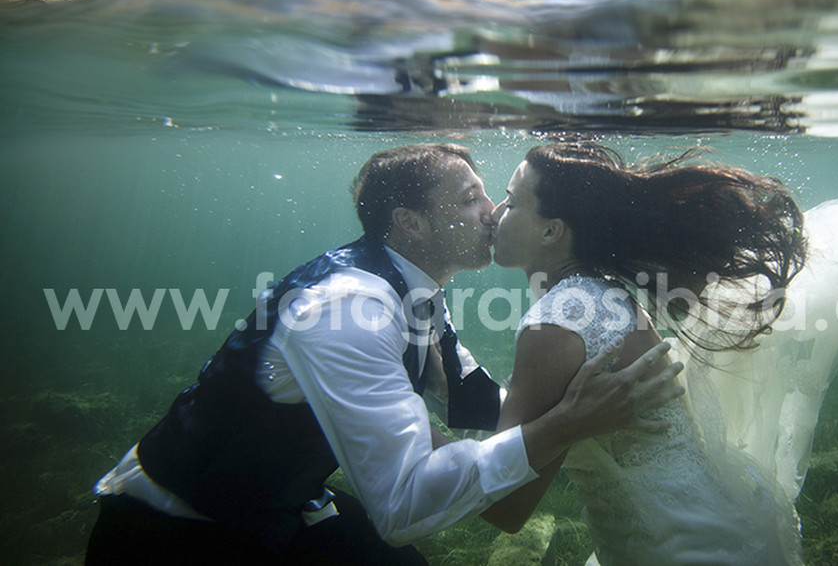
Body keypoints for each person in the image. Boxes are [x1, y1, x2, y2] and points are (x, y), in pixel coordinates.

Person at [85, 143, 683, 566]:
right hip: (170, 528)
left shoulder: (415, 291)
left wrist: (571, 394)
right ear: (411, 223)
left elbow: (471, 399)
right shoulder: (350, 309)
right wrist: (567, 424)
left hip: (278, 506)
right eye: (473, 198)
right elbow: (401, 507)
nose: (494, 213)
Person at [486, 143, 838, 566]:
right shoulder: (606, 292)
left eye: (509, 201)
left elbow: (506, 508)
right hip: (718, 530)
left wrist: (419, 445)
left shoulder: (555, 324)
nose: (494, 213)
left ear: (552, 230)